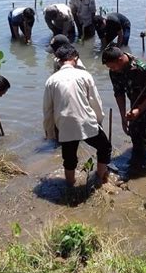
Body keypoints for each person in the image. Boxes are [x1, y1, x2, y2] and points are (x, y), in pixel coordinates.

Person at [43, 44, 111, 186]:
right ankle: (99, 177)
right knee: (104, 147)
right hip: (86, 122)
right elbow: (95, 102)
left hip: (65, 124)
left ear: (59, 60)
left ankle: (70, 184)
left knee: (69, 158)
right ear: (75, 58)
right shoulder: (84, 75)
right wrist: (99, 121)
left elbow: (48, 110)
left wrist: (50, 132)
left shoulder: (51, 80)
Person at [102, 46, 146, 170]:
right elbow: (119, 93)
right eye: (110, 68)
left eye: (112, 66)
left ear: (120, 60)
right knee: (134, 130)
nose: (112, 70)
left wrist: (139, 110)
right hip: (136, 99)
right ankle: (139, 159)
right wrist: (123, 117)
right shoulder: (114, 71)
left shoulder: (143, 68)